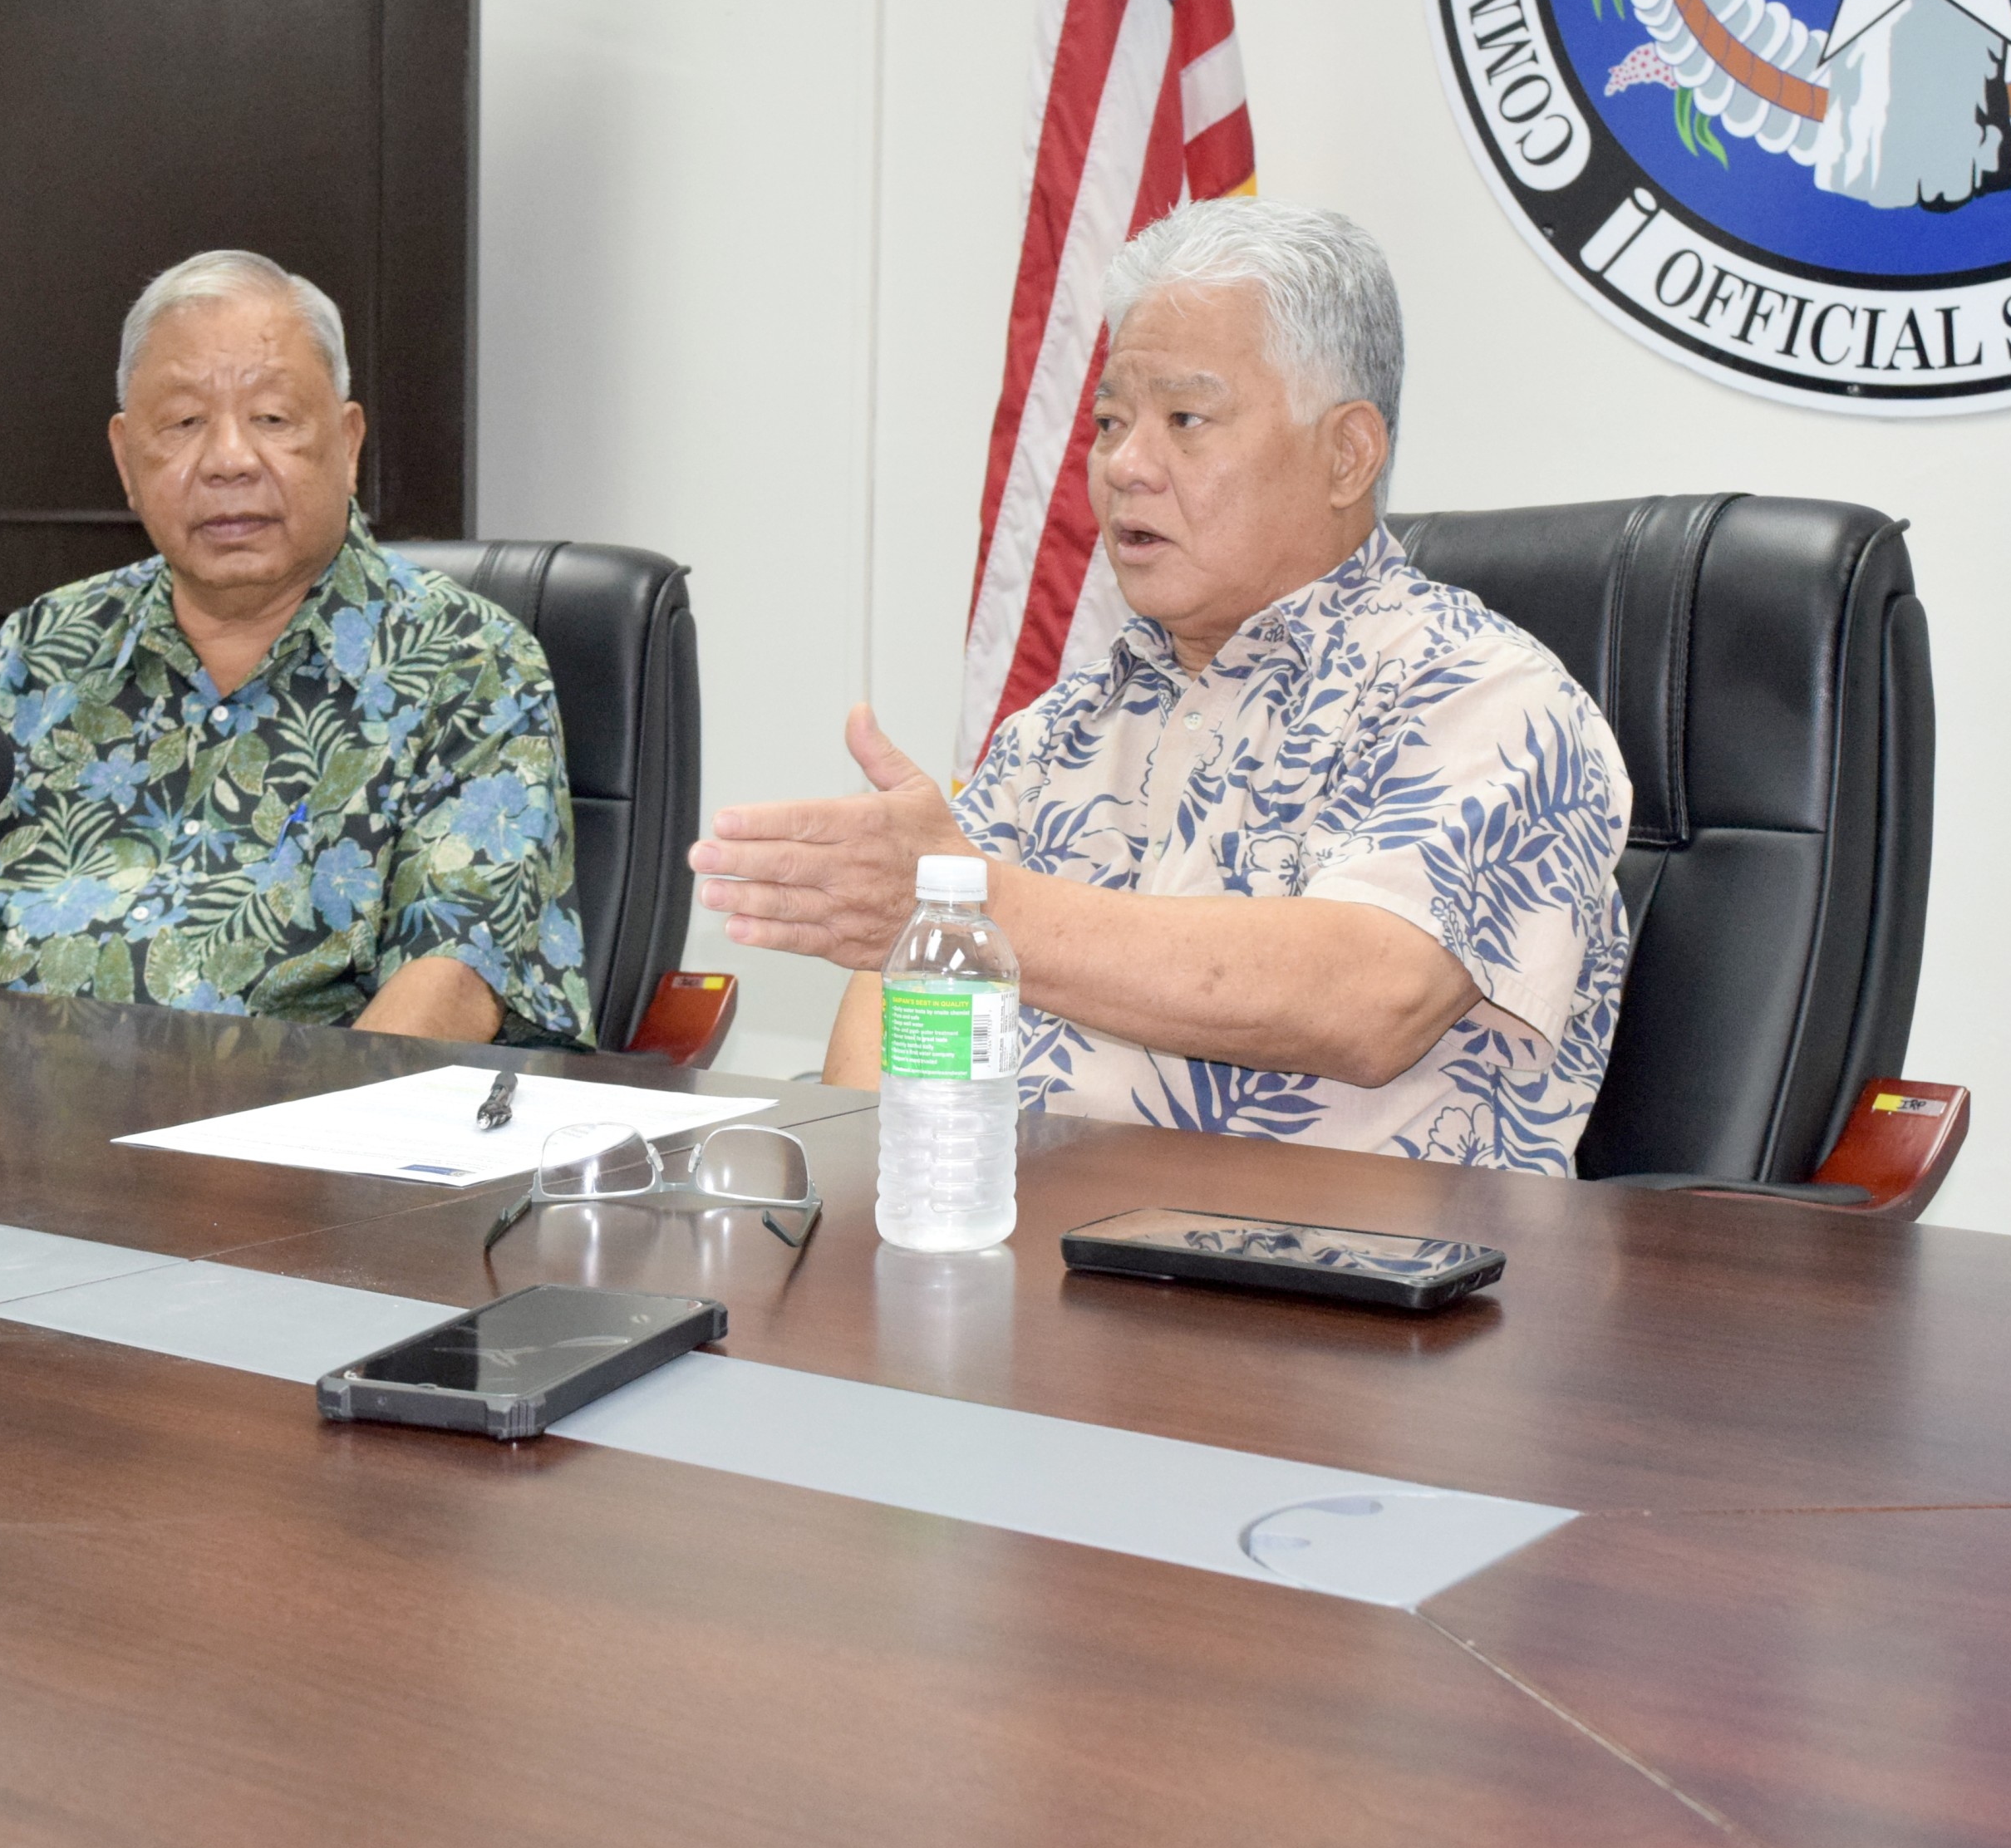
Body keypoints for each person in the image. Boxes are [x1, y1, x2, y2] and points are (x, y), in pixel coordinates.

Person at [690, 199, 1630, 1172]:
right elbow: (900, 1008)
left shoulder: (1490, 698)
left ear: (1347, 453)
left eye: (1186, 419)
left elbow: (1371, 996)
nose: (1124, 466)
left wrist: (973, 908)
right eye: (1110, 421)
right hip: (1014, 1274)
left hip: (1332, 1299)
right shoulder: (1059, 727)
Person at [0, 249, 593, 1047]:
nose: (227, 461)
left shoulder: (466, 660)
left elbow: (454, 979)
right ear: (125, 458)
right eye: (183, 424)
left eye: (274, 419)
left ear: (349, 444)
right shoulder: (45, 647)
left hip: (284, 1153)